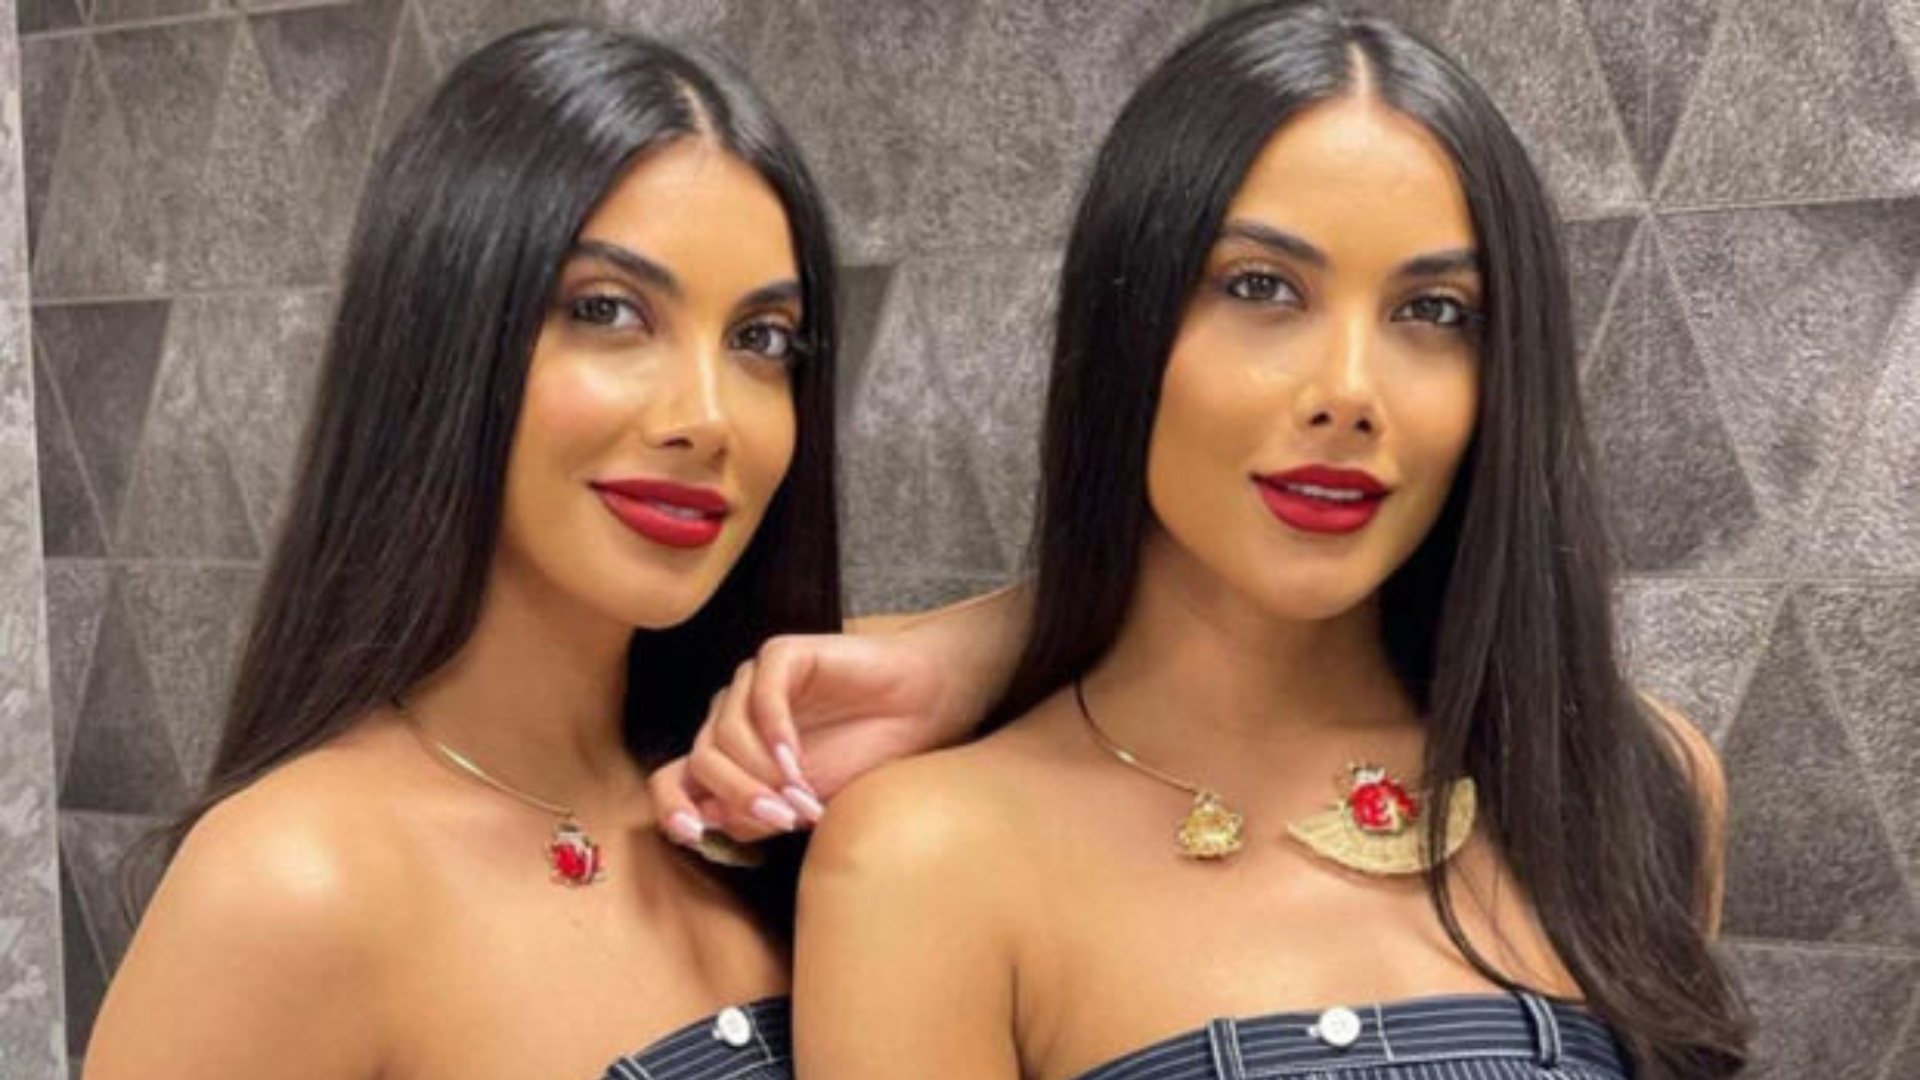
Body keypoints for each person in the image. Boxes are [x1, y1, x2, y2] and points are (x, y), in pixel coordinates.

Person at [791, 5, 1750, 1080]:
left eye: (1434, 311)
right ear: (1127, 327)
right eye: (1260, 287)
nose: (1348, 391)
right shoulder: (930, 860)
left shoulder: (1632, 786)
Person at [81, 23, 1015, 1080]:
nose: (708, 417)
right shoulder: (293, 883)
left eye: (760, 340)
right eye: (608, 311)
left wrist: (958, 663)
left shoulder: (767, 766)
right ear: (443, 340)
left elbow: (1135, 627)